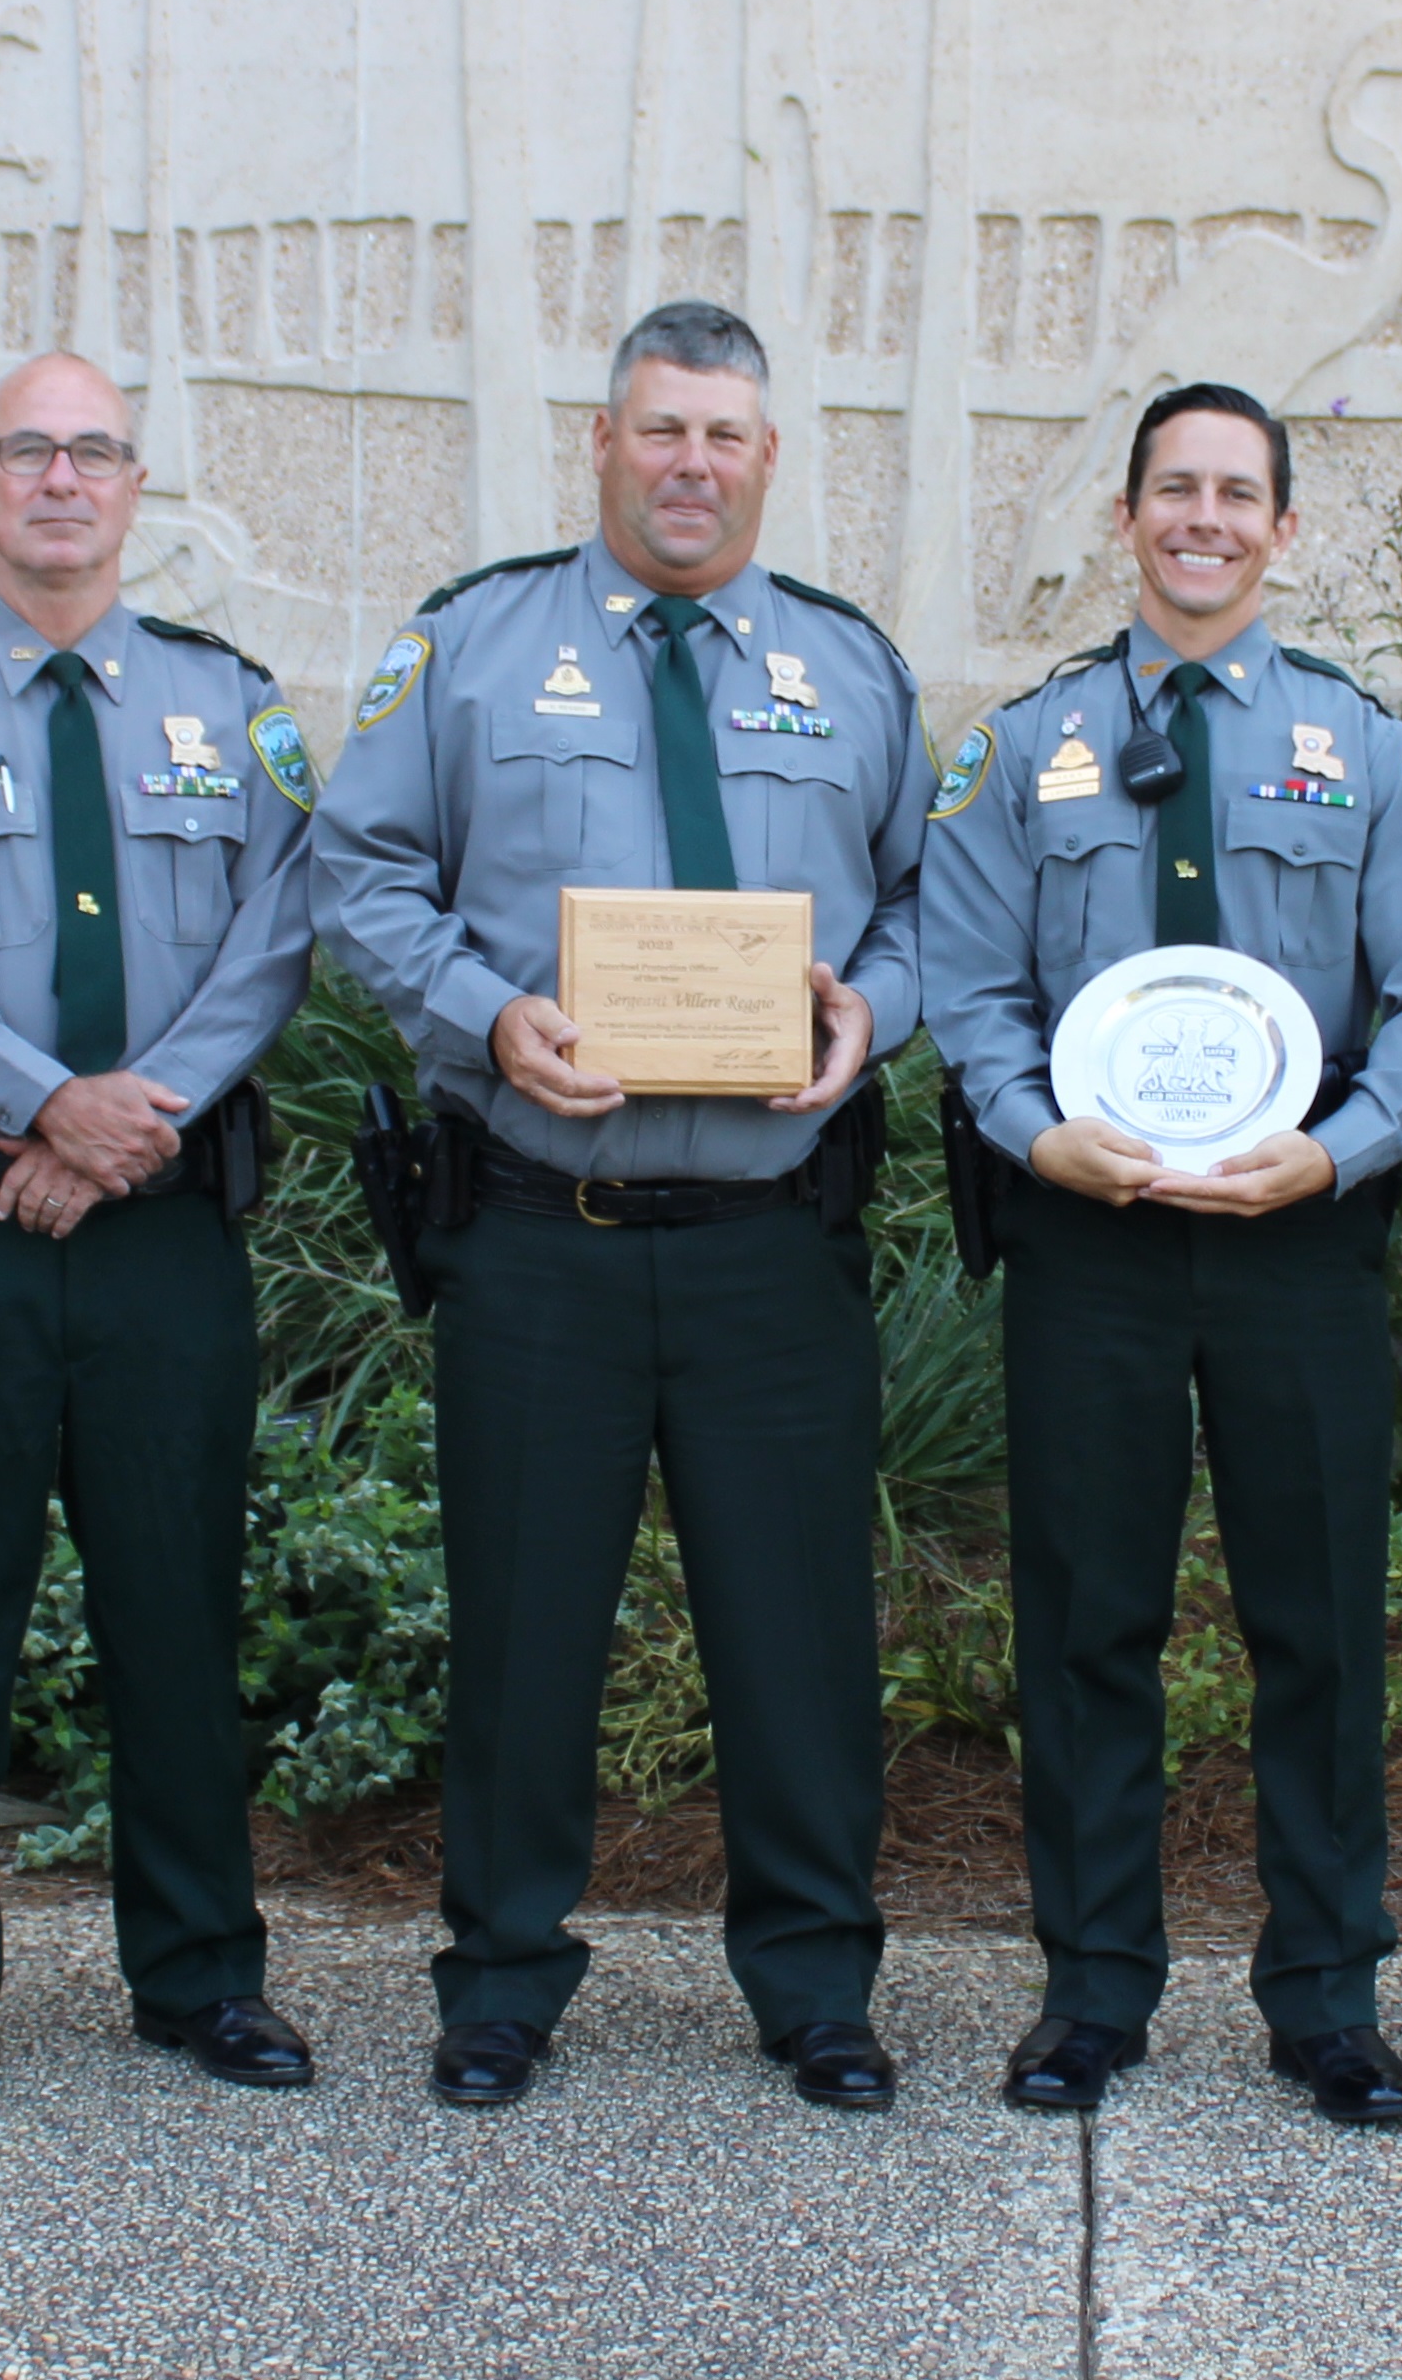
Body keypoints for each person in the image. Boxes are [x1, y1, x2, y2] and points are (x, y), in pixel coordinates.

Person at [314, 300, 927, 2112]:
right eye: (660, 430)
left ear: (766, 458)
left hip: (767, 1242)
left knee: (800, 1634)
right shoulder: (473, 647)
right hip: (536, 1233)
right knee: (521, 1625)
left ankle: (815, 1984)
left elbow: (928, 906)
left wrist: (866, 1009)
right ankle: (502, 1977)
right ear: (600, 442)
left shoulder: (849, 669)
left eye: (724, 436)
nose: (690, 465)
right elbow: (357, 870)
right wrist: (479, 1014)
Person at [919, 381, 1402, 2127]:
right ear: (1127, 514)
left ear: (1282, 529)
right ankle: (1093, 1988)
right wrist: (1034, 1134)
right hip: (1087, 1236)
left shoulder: (1365, 747)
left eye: (1238, 493)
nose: (1205, 519)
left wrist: (1333, 1151)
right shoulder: (1025, 749)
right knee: (1088, 1620)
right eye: (1175, 487)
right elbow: (966, 982)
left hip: (1291, 1239)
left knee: (1313, 1626)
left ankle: (1323, 1995)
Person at [0, 352, 321, 2117]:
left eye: (93, 451)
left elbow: (276, 931)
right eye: (29, 450)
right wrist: (41, 1104)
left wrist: (119, 1122)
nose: (61, 480)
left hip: (159, 1226)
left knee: (177, 1607)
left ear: (134, 483)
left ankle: (199, 1977)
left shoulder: (226, 706)